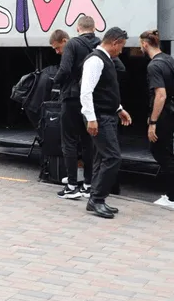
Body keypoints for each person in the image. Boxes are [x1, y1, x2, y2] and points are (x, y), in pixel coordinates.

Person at [80, 27, 132, 219]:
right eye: (122, 46)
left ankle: (96, 199)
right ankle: (97, 199)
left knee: (102, 158)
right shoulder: (95, 60)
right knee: (112, 158)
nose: (122, 51)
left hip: (105, 115)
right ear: (115, 42)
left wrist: (119, 109)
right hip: (99, 117)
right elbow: (86, 91)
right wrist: (91, 118)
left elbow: (105, 90)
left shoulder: (105, 60)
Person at [140, 29, 174, 209]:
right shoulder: (169, 59)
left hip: (163, 115)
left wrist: (152, 122)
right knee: (167, 151)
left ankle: (172, 198)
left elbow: (161, 95)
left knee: (159, 152)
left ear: (145, 44)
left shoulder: (153, 66)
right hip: (172, 113)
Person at [49, 24, 94, 199]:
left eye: (57, 47)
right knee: (87, 141)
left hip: (71, 97)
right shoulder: (96, 45)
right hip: (87, 99)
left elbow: (65, 69)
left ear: (64, 41)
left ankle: (72, 186)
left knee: (68, 141)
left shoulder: (71, 45)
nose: (57, 52)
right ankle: (88, 184)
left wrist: (55, 82)